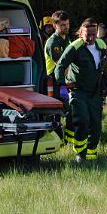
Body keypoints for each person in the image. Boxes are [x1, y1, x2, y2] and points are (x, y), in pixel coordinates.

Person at [54, 18, 107, 162]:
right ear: (81, 33)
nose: (91, 38)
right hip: (78, 91)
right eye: (87, 35)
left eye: (94, 34)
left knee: (96, 126)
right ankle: (80, 154)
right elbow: (60, 66)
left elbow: (105, 65)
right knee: (82, 121)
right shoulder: (75, 47)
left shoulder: (101, 45)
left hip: (95, 92)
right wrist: (63, 86)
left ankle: (91, 155)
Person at [44, 10, 73, 143]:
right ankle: (58, 141)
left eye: (67, 24)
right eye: (62, 25)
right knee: (56, 114)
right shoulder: (53, 43)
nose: (66, 27)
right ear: (55, 26)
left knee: (69, 111)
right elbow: (62, 65)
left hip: (65, 80)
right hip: (54, 81)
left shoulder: (67, 39)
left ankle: (68, 140)